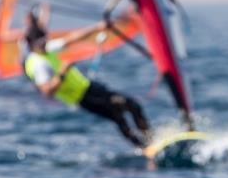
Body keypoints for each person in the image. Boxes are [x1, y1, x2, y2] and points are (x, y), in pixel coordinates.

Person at [23, 12, 152, 149]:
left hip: (88, 87)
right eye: (41, 42)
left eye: (45, 40)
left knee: (120, 115)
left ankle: (146, 144)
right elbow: (47, 91)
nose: (45, 44)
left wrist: (98, 28)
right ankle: (148, 144)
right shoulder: (38, 64)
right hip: (84, 97)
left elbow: (73, 38)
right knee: (129, 107)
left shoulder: (46, 49)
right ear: (31, 44)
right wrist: (62, 73)